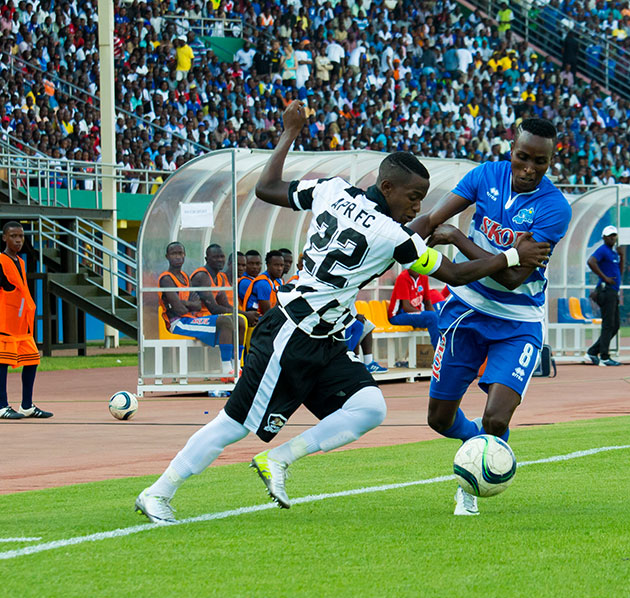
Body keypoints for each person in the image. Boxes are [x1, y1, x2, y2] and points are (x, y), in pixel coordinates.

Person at [134, 100, 552, 523]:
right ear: (388, 189)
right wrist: (511, 256)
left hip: (325, 337)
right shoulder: (392, 235)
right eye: (412, 198)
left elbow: (267, 188)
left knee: (370, 406)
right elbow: (458, 274)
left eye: (421, 200)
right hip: (291, 334)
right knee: (235, 425)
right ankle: (158, 492)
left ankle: (276, 460)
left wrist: (290, 131)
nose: (416, 208)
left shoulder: (330, 189)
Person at [408, 117, 572, 516]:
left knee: (496, 419)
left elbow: (515, 276)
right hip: (465, 310)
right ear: (510, 149)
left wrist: (457, 238)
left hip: (518, 323)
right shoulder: (484, 176)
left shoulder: (554, 208)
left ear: (552, 160)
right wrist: (393, 237)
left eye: (540, 162)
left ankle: (473, 480)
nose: (529, 168)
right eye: (522, 157)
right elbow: (431, 222)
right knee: (439, 419)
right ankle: (480, 448)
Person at [0, 221, 52, 419]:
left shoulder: (19, 262)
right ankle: (2, 406)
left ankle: (27, 406)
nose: (18, 240)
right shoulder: (1, 261)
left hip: (22, 325)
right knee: (2, 363)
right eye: (13, 236)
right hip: (4, 324)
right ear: (4, 238)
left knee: (32, 360)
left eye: (21, 236)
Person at [171, 243, 245, 376]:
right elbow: (214, 308)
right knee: (226, 321)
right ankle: (227, 370)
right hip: (194, 319)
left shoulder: (220, 277)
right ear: (207, 259)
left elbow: (225, 305)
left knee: (240, 321)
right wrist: (190, 304)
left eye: (222, 257)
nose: (220, 260)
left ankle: (237, 365)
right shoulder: (202, 276)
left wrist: (244, 314)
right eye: (215, 257)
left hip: (207, 320)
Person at [586, 225, 622, 366]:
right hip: (606, 291)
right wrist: (605, 278)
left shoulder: (613, 253)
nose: (612, 238)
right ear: (604, 237)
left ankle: (593, 351)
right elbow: (591, 261)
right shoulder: (602, 250)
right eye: (610, 236)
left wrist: (622, 256)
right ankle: (604, 357)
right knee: (608, 325)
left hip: (613, 292)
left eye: (614, 235)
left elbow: (619, 272)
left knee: (615, 325)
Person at [388, 268, 440, 348]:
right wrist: (425, 315)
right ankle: (438, 350)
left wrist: (437, 316)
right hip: (398, 316)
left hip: (415, 314)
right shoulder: (403, 277)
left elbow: (428, 304)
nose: (415, 267)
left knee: (439, 315)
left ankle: (446, 349)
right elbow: (406, 307)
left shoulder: (424, 277)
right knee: (431, 316)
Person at [241, 249, 284, 315]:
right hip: (257, 320)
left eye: (281, 265)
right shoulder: (263, 283)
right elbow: (267, 314)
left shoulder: (276, 281)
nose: (279, 268)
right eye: (276, 265)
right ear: (268, 265)